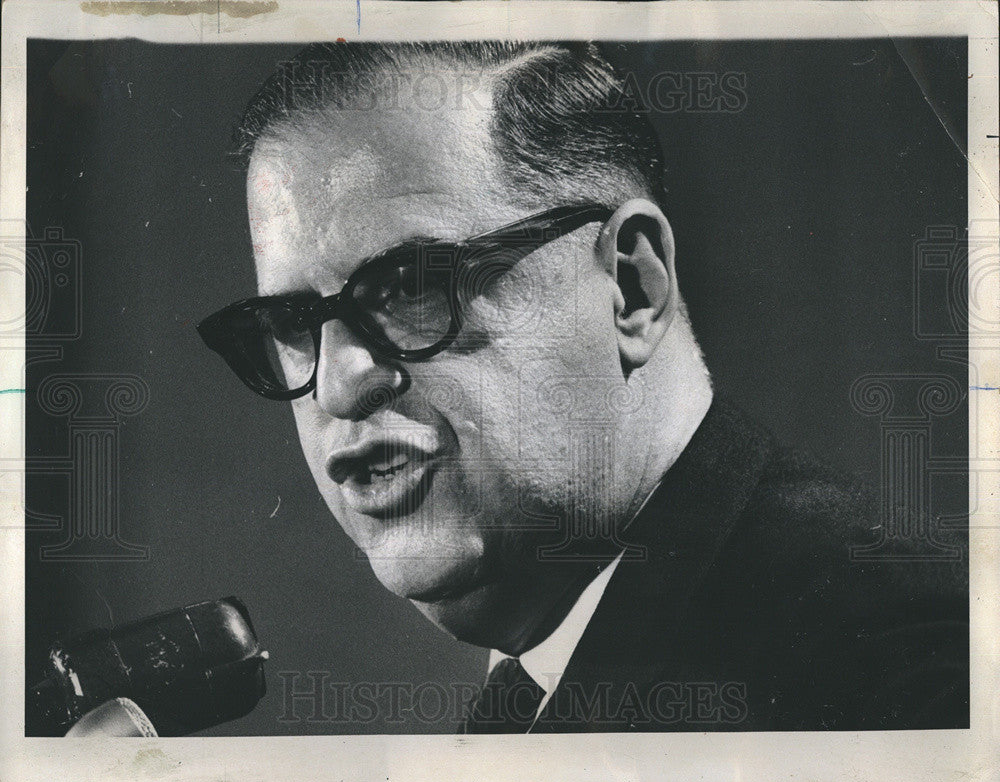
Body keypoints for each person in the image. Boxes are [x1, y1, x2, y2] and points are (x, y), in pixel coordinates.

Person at [195, 41, 967, 733]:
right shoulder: (540, 683)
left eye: (411, 286)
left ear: (633, 288)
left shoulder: (890, 663)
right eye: (293, 320)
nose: (337, 384)